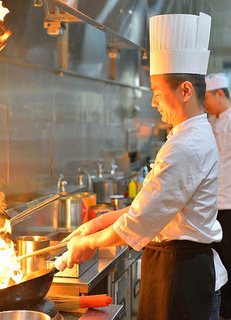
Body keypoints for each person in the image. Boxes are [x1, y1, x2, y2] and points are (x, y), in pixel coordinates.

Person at [58, 12, 228, 320]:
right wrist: (96, 224)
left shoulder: (187, 145)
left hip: (182, 278)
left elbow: (140, 218)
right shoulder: (188, 135)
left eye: (157, 93)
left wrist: (90, 243)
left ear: (185, 91)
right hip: (176, 271)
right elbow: (151, 204)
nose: (153, 102)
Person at [205, 73, 231, 320]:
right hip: (215, 203)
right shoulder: (212, 121)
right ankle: (223, 309)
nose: (205, 104)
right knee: (221, 258)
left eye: (207, 97)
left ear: (220, 93)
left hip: (229, 203)